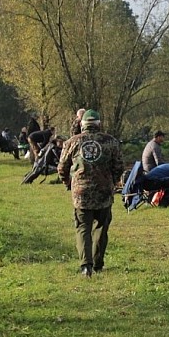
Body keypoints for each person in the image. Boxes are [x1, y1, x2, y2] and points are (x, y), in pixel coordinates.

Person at [57, 109, 123, 277]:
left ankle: (86, 266)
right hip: (104, 193)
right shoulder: (111, 141)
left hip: (81, 193)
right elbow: (119, 167)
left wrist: (68, 184)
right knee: (101, 228)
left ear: (82, 124)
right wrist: (113, 182)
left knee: (83, 228)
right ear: (99, 124)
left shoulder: (72, 142)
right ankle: (98, 264)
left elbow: (62, 168)